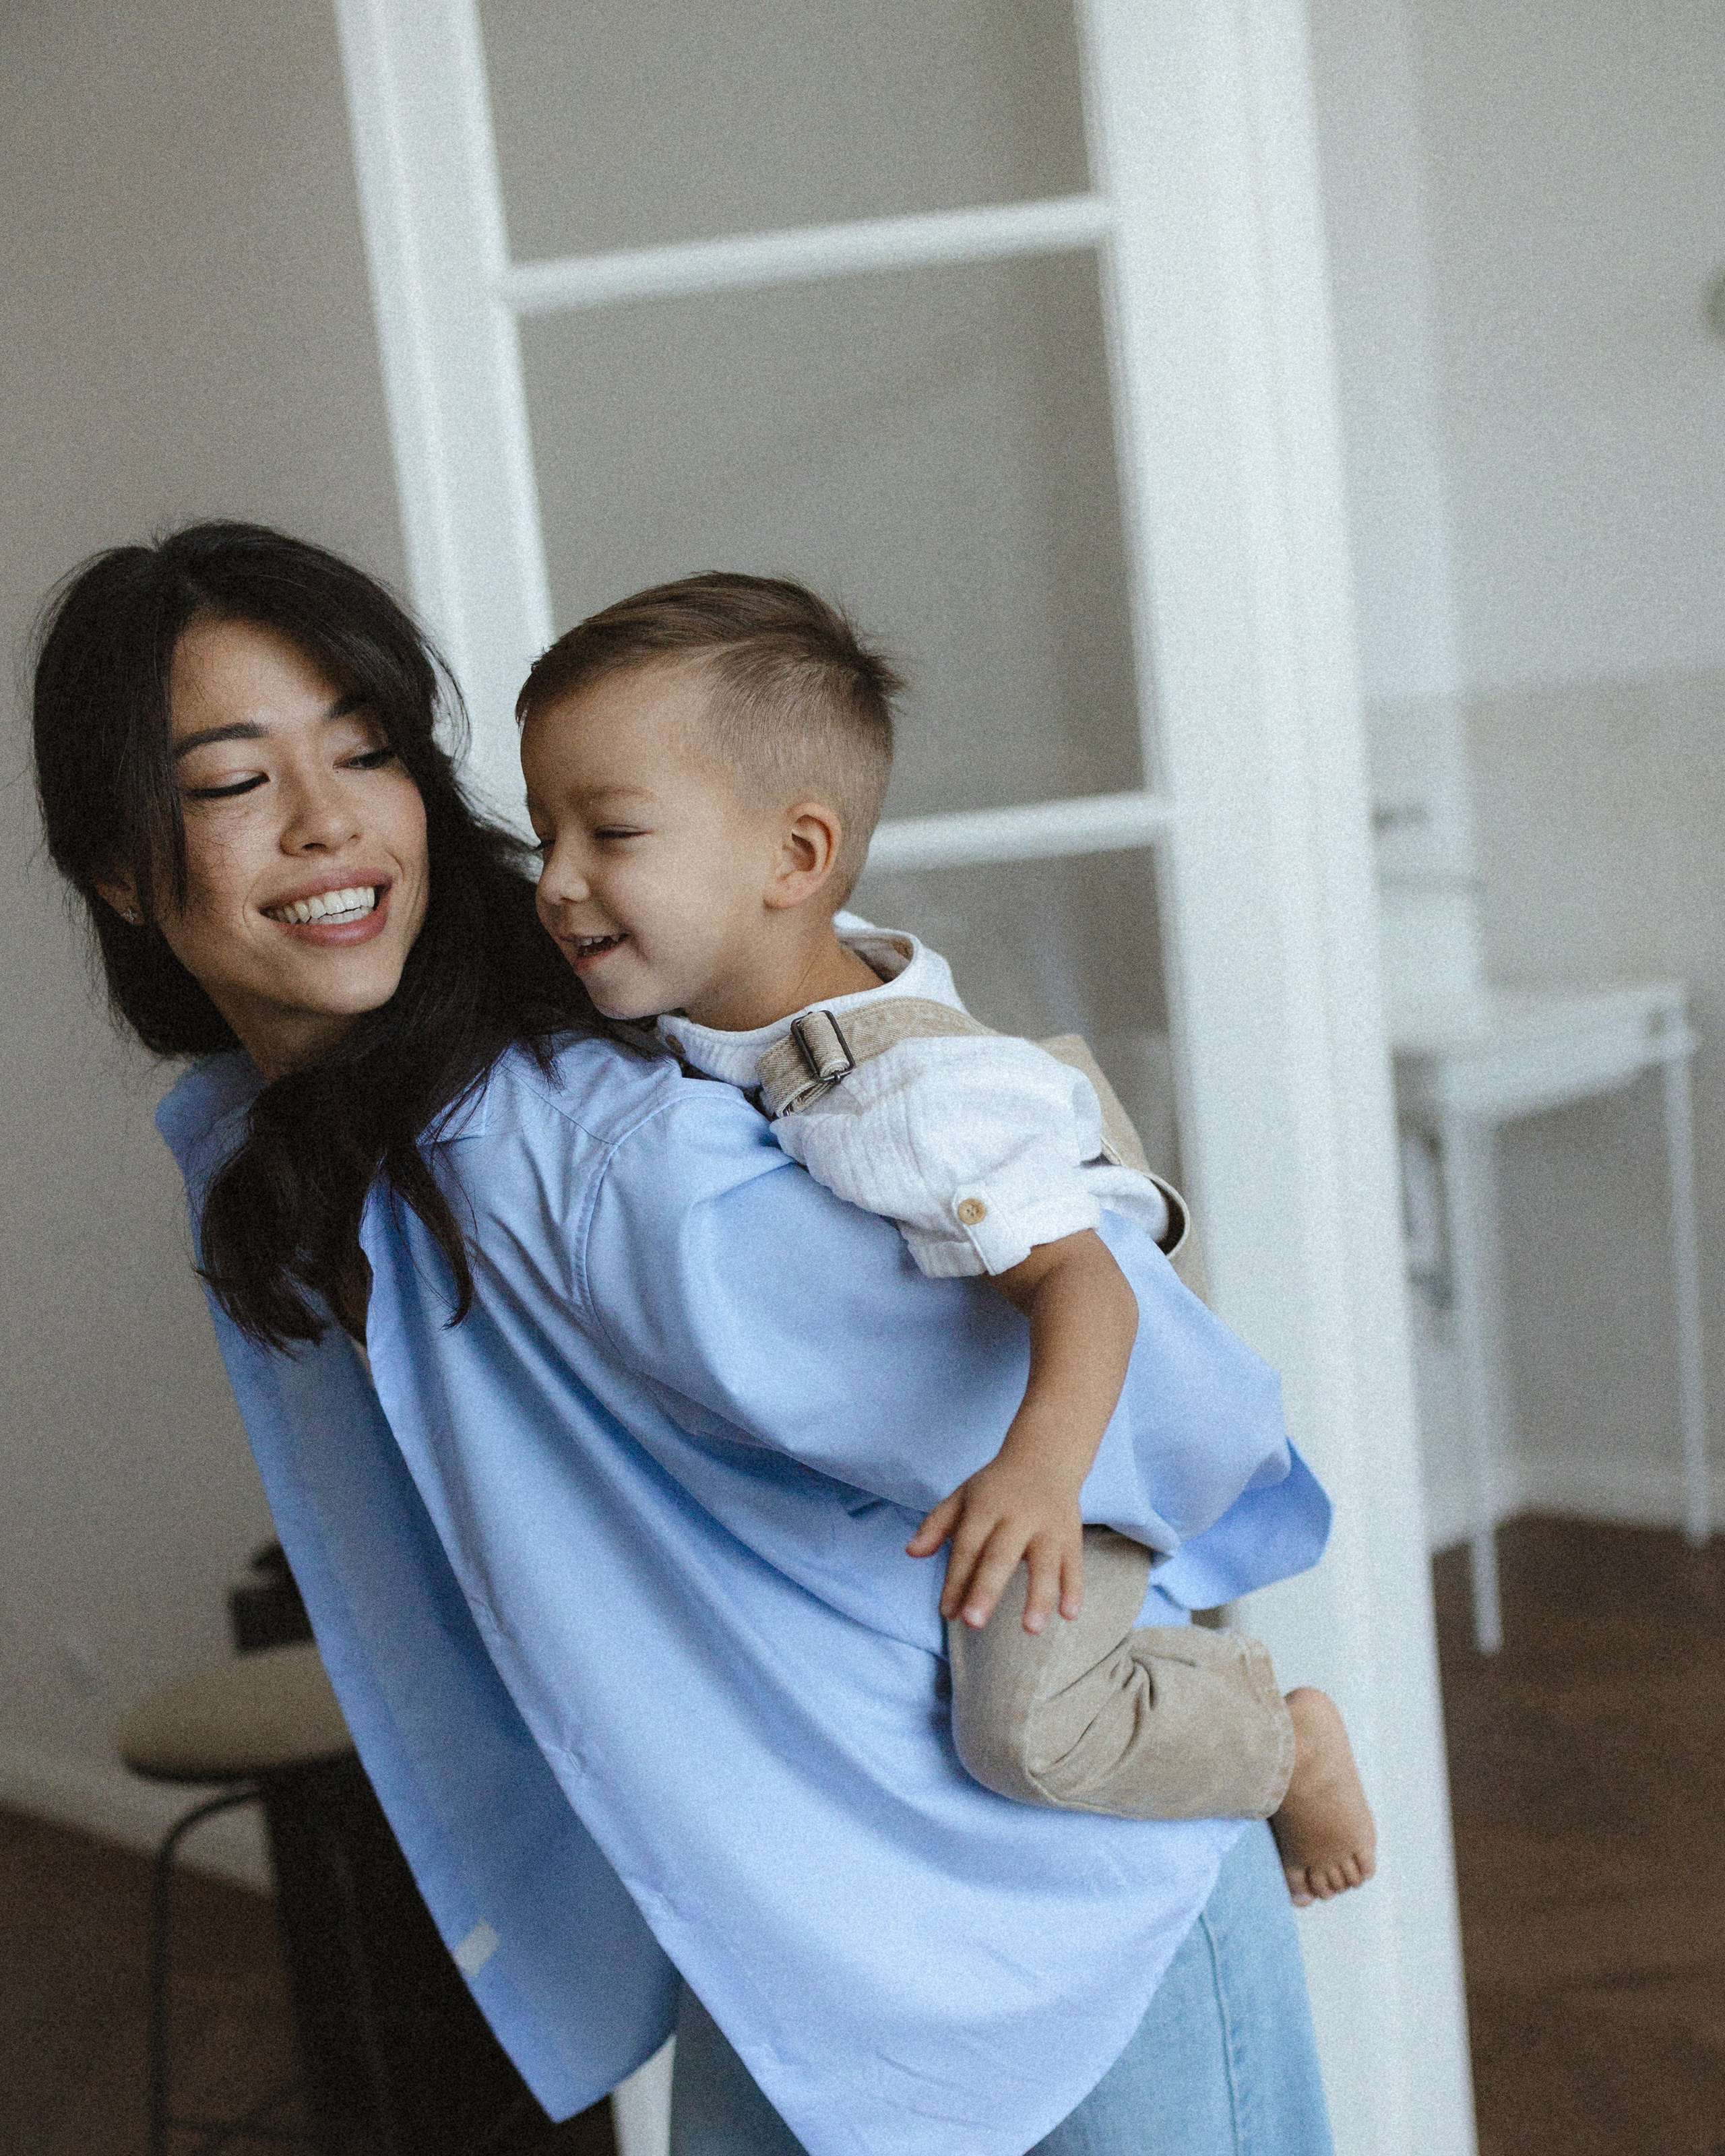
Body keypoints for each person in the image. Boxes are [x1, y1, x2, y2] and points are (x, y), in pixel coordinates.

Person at [32, 521, 1337, 2156]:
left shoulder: (571, 1154)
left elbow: (1155, 1382)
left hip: (1051, 1907)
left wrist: (1214, 1672)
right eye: (231, 781)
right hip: (804, 1933)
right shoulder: (297, 1145)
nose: (328, 822)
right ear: (115, 860)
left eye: (367, 751)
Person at [515, 572, 1375, 1908]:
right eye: (541, 831)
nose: (558, 881)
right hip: (970, 1434)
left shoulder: (911, 1097)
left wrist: (1040, 1474)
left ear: (793, 860)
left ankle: (1280, 1736)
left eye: (610, 833)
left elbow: (1084, 1287)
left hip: (1069, 1441)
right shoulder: (736, 976)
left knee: (1025, 1729)